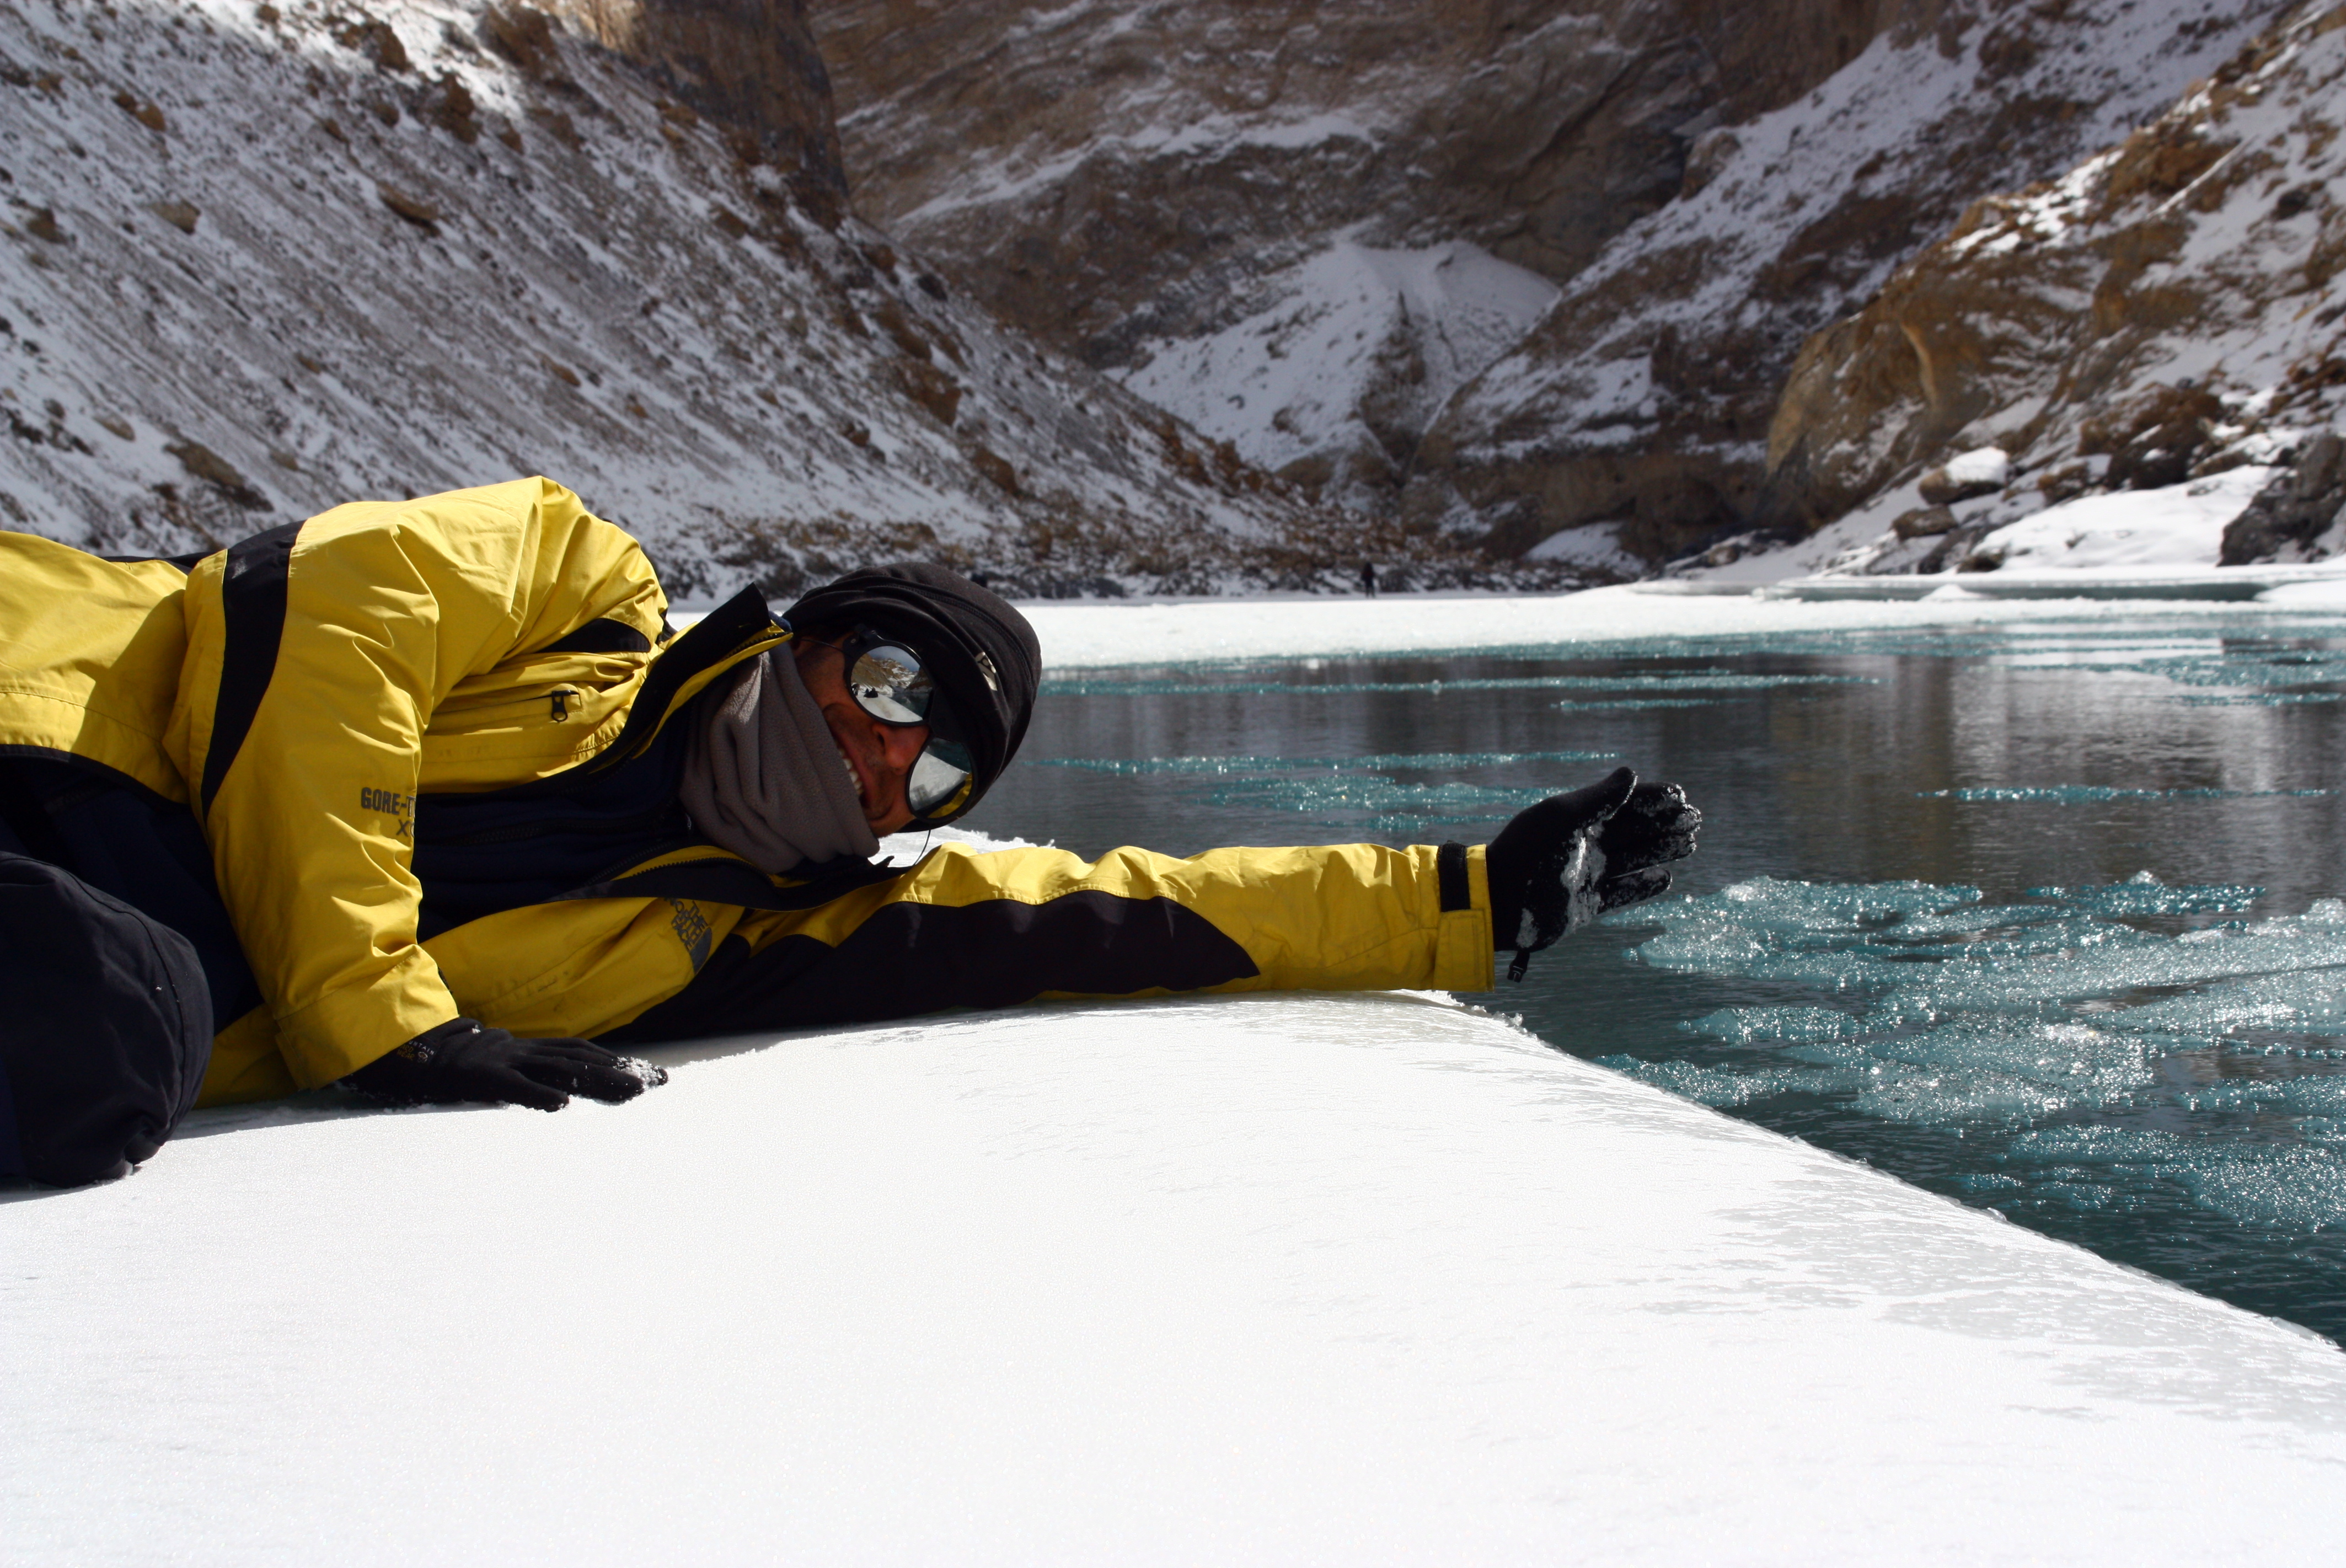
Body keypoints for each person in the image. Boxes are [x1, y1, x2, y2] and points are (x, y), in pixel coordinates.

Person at [0, 478, 1699, 1184]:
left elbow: (1122, 908)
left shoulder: (740, 936)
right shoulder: (577, 585)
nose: (892, 762)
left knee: (101, 1034)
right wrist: (377, 1015)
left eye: (944, 771)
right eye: (895, 684)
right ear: (814, 638)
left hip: (88, 971)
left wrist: (1464, 896)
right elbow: (320, 614)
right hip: (40, 719)